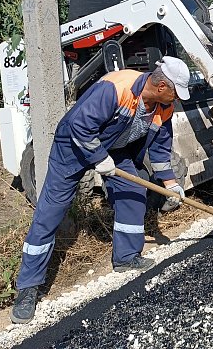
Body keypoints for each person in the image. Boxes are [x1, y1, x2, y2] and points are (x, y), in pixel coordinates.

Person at [10, 56, 191, 324]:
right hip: (72, 147)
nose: (177, 99)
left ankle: (127, 257)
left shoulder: (164, 107)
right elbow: (80, 125)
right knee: (50, 212)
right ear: (162, 85)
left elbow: (161, 150)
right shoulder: (116, 88)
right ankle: (27, 288)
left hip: (114, 150)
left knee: (133, 193)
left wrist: (171, 184)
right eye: (176, 92)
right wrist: (98, 157)